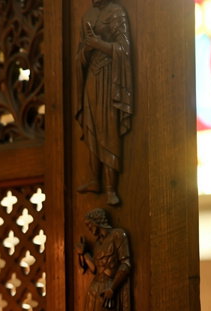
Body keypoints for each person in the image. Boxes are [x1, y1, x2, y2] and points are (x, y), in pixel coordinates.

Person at [75, 0, 133, 206]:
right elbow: (79, 56)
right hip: (92, 76)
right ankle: (94, 179)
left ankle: (111, 188)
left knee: (109, 129)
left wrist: (99, 44)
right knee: (92, 127)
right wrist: (87, 50)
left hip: (110, 77)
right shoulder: (87, 16)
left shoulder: (116, 12)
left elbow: (124, 48)